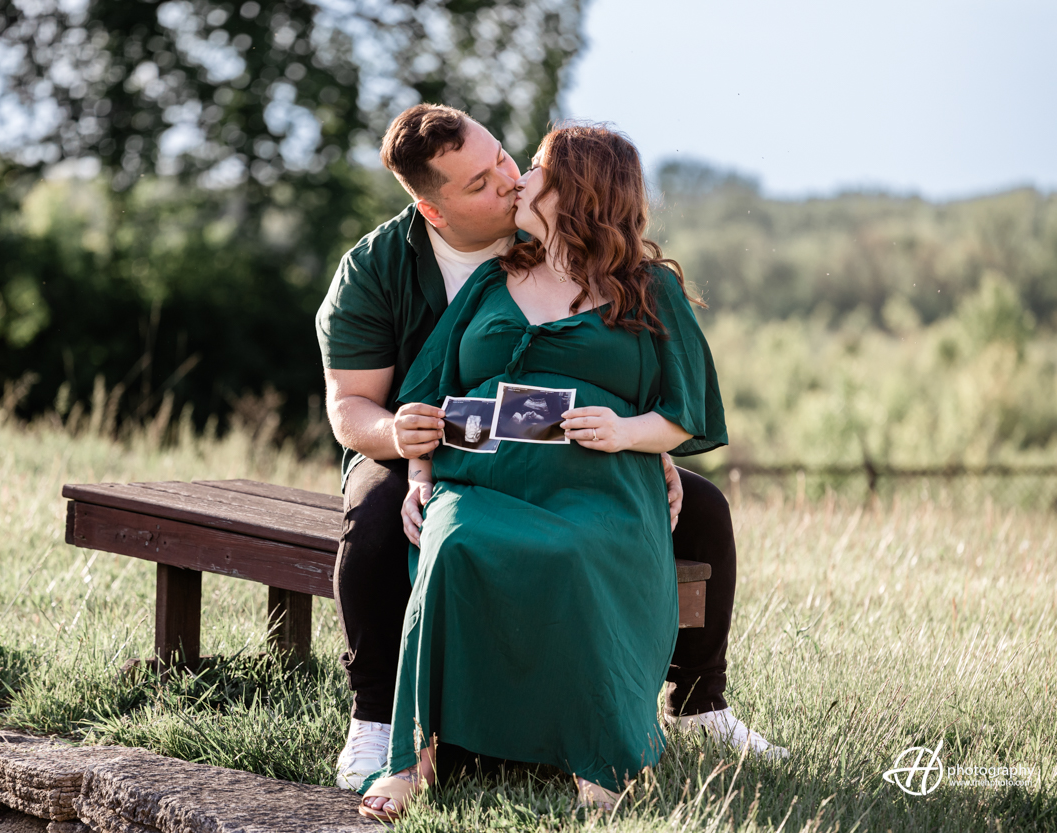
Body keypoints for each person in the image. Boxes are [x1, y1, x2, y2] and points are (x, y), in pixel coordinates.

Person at [315, 104, 785, 794]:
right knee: (383, 514)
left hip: (577, 461)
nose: (508, 181)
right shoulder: (380, 266)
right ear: (436, 209)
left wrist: (640, 444)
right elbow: (351, 405)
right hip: (424, 445)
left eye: (508, 159)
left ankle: (699, 703)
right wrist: (406, 448)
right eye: (480, 183)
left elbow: (662, 386)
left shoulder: (570, 257)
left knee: (702, 506)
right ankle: (378, 721)